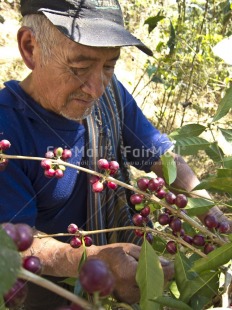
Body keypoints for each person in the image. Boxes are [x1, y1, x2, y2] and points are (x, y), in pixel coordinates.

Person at [0, 0, 231, 309]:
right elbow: (14, 242)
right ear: (30, 47)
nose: (96, 88)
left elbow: (162, 158)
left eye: (109, 65)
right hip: (50, 292)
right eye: (79, 67)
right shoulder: (7, 131)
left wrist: (212, 218)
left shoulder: (111, 95)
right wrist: (88, 261)